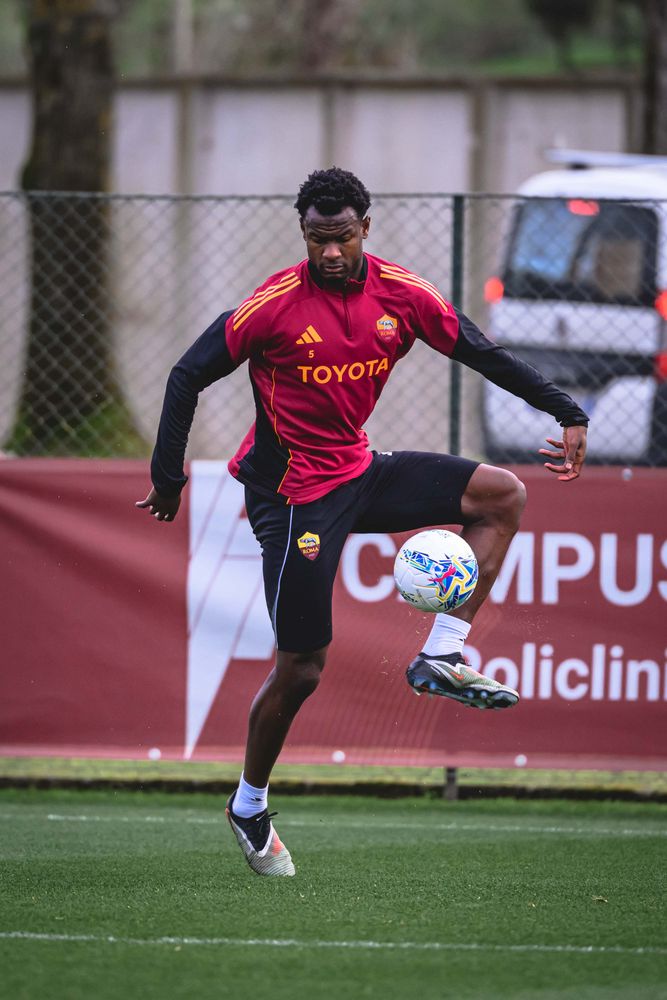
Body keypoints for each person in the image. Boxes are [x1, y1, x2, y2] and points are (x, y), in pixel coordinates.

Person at [137, 167, 588, 877]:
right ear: (304, 234)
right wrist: (169, 477)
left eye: (341, 238)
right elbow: (186, 374)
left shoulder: (402, 296)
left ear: (365, 229)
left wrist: (566, 411)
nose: (329, 254)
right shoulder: (273, 305)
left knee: (500, 495)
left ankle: (439, 654)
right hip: (290, 498)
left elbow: (480, 351)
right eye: (316, 239)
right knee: (303, 666)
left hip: (356, 470)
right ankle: (248, 805)